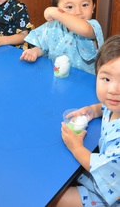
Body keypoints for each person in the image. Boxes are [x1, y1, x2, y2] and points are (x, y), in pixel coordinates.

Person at [53, 34, 120, 207]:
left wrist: (76, 147)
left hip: (111, 193)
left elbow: (106, 171)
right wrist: (92, 110)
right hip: (103, 173)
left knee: (57, 199)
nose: (113, 89)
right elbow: (104, 107)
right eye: (106, 78)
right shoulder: (116, 106)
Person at [20, 0, 104, 74]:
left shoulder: (93, 26)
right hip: (58, 78)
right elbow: (43, 47)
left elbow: (85, 30)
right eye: (69, 7)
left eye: (85, 5)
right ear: (57, 7)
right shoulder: (52, 27)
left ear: (93, 7)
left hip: (85, 83)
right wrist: (34, 52)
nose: (78, 12)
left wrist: (54, 12)